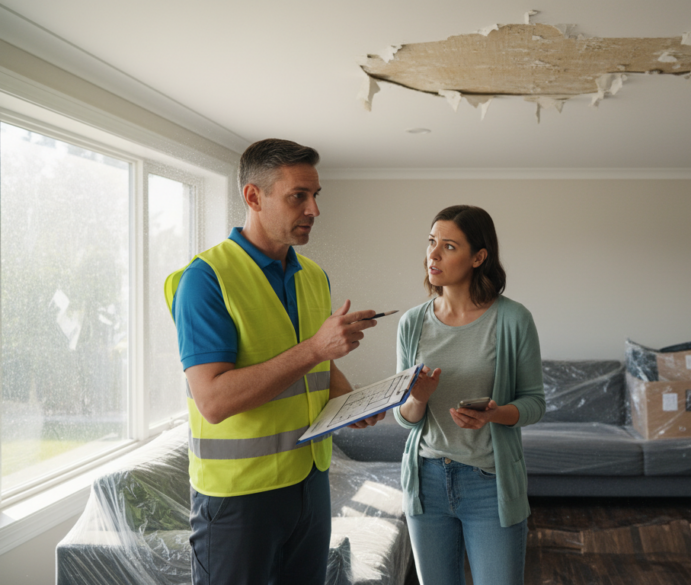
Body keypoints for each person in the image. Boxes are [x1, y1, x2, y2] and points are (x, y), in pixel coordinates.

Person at [164, 138, 385, 585]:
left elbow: (316, 367)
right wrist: (317, 349)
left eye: (315, 195)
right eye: (298, 196)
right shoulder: (205, 281)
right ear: (253, 197)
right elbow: (213, 400)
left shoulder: (313, 276)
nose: (314, 210)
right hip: (239, 497)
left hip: (309, 483)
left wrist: (351, 401)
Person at [394, 205, 545, 585]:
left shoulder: (513, 319)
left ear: (479, 257)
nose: (433, 254)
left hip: (488, 482)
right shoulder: (412, 323)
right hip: (426, 480)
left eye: (448, 246)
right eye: (431, 242)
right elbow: (404, 416)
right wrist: (420, 398)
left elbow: (534, 402)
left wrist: (495, 414)